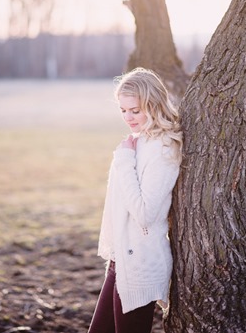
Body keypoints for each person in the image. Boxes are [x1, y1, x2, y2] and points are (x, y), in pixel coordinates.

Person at [87, 67, 182, 333]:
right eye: (123, 110)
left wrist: (125, 160)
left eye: (135, 110)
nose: (128, 117)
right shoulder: (139, 141)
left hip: (141, 262)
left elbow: (144, 212)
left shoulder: (164, 147)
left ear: (152, 104)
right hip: (121, 259)